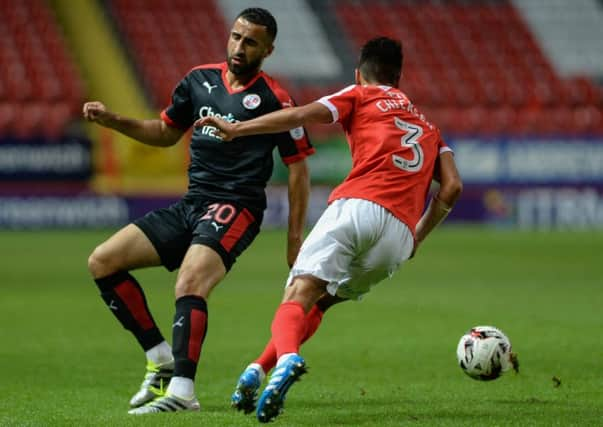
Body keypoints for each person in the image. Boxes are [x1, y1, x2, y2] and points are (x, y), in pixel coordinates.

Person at [197, 36, 463, 423]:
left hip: (359, 205)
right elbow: (452, 187)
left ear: (360, 73)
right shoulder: (427, 125)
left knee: (297, 292)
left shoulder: (360, 94)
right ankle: (257, 369)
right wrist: (417, 237)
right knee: (320, 301)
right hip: (399, 237)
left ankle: (287, 359)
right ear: (398, 79)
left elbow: (300, 116)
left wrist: (239, 129)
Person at [83, 7, 314, 415]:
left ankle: (183, 392)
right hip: (192, 203)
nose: (239, 47)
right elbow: (165, 132)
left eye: (251, 42)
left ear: (268, 49)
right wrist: (112, 120)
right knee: (103, 261)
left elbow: (298, 168)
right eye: (236, 37)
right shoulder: (198, 81)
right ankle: (160, 359)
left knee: (190, 282)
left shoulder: (276, 99)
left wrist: (294, 238)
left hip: (237, 207)